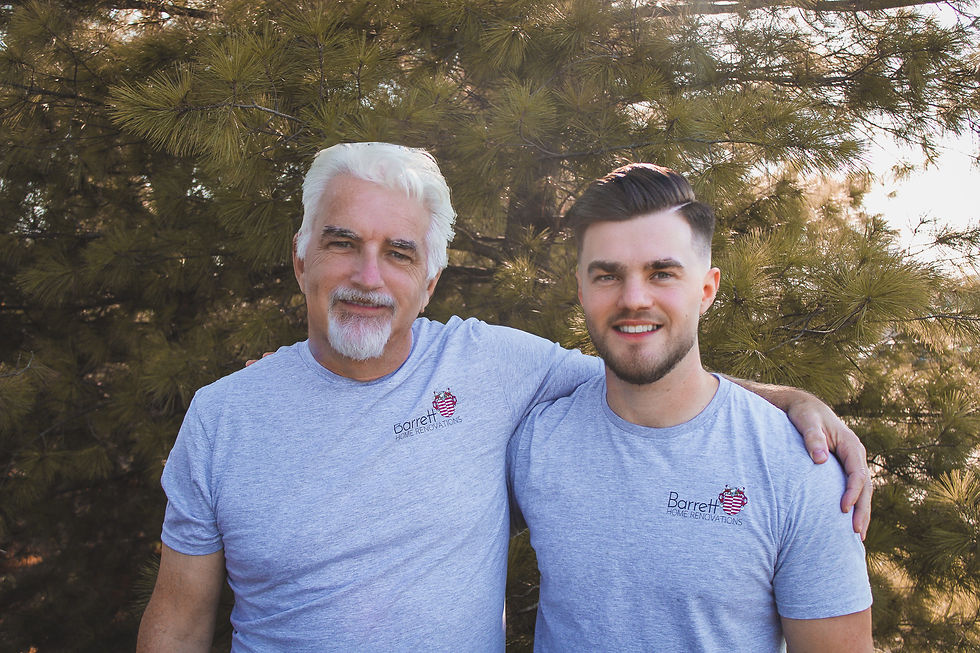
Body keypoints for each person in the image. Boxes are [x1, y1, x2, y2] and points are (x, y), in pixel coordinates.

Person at [137, 143, 871, 652]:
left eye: (399, 253)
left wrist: (789, 400)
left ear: (430, 281)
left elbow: (647, 372)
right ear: (302, 260)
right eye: (342, 243)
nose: (369, 275)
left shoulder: (493, 367)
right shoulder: (224, 416)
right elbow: (178, 623)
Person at [507, 163, 873, 652]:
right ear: (581, 289)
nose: (633, 299)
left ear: (706, 290)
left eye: (661, 273)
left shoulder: (796, 465)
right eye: (607, 275)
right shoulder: (536, 442)